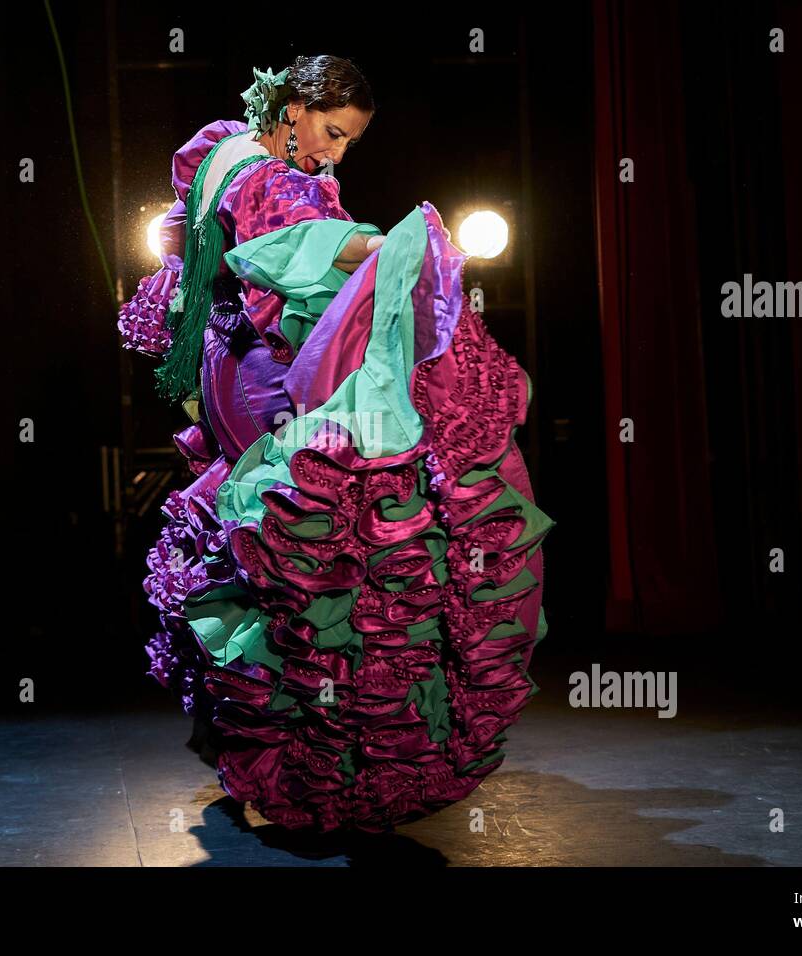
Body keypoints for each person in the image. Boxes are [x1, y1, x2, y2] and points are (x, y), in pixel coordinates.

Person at [118, 55, 553, 833]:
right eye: (331, 131)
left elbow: (200, 246)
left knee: (264, 538)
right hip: (260, 372)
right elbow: (291, 248)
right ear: (292, 106)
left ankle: (263, 735)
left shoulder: (220, 148)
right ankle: (327, 755)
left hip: (227, 368)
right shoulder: (271, 176)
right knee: (332, 533)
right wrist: (396, 250)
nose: (335, 153)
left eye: (350, 142)